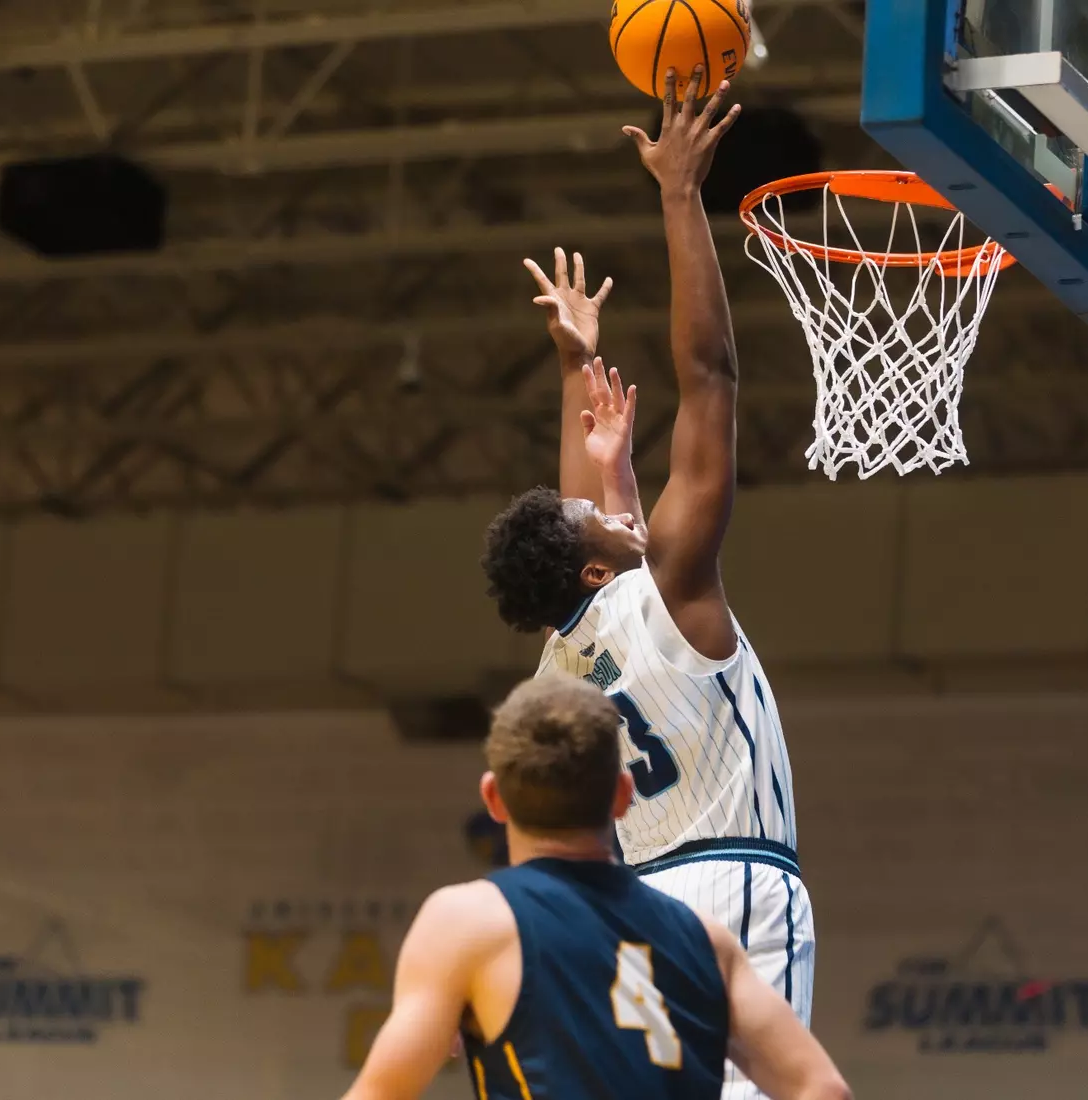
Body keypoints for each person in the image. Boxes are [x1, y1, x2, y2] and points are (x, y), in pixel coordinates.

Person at [479, 68, 812, 1100]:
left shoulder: (557, 666)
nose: (615, 503)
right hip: (741, 887)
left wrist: (580, 366)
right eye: (603, 516)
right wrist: (678, 194)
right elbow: (710, 374)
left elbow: (582, 491)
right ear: (596, 558)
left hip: (640, 903)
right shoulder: (666, 579)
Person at [341, 674, 849, 1100]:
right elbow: (823, 1090)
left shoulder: (467, 923)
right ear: (624, 796)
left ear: (493, 800)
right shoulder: (709, 943)